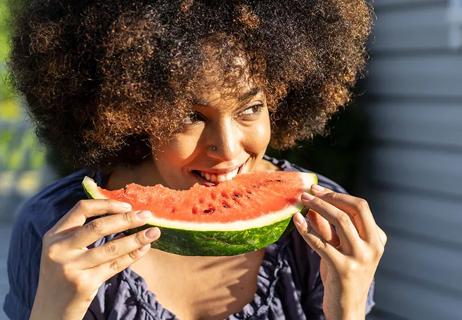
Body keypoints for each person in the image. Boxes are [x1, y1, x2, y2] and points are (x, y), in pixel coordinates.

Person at [4, 0, 386, 319]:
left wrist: (347, 308)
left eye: (250, 108)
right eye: (191, 117)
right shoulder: (53, 228)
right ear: (133, 111)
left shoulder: (321, 222)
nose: (230, 149)